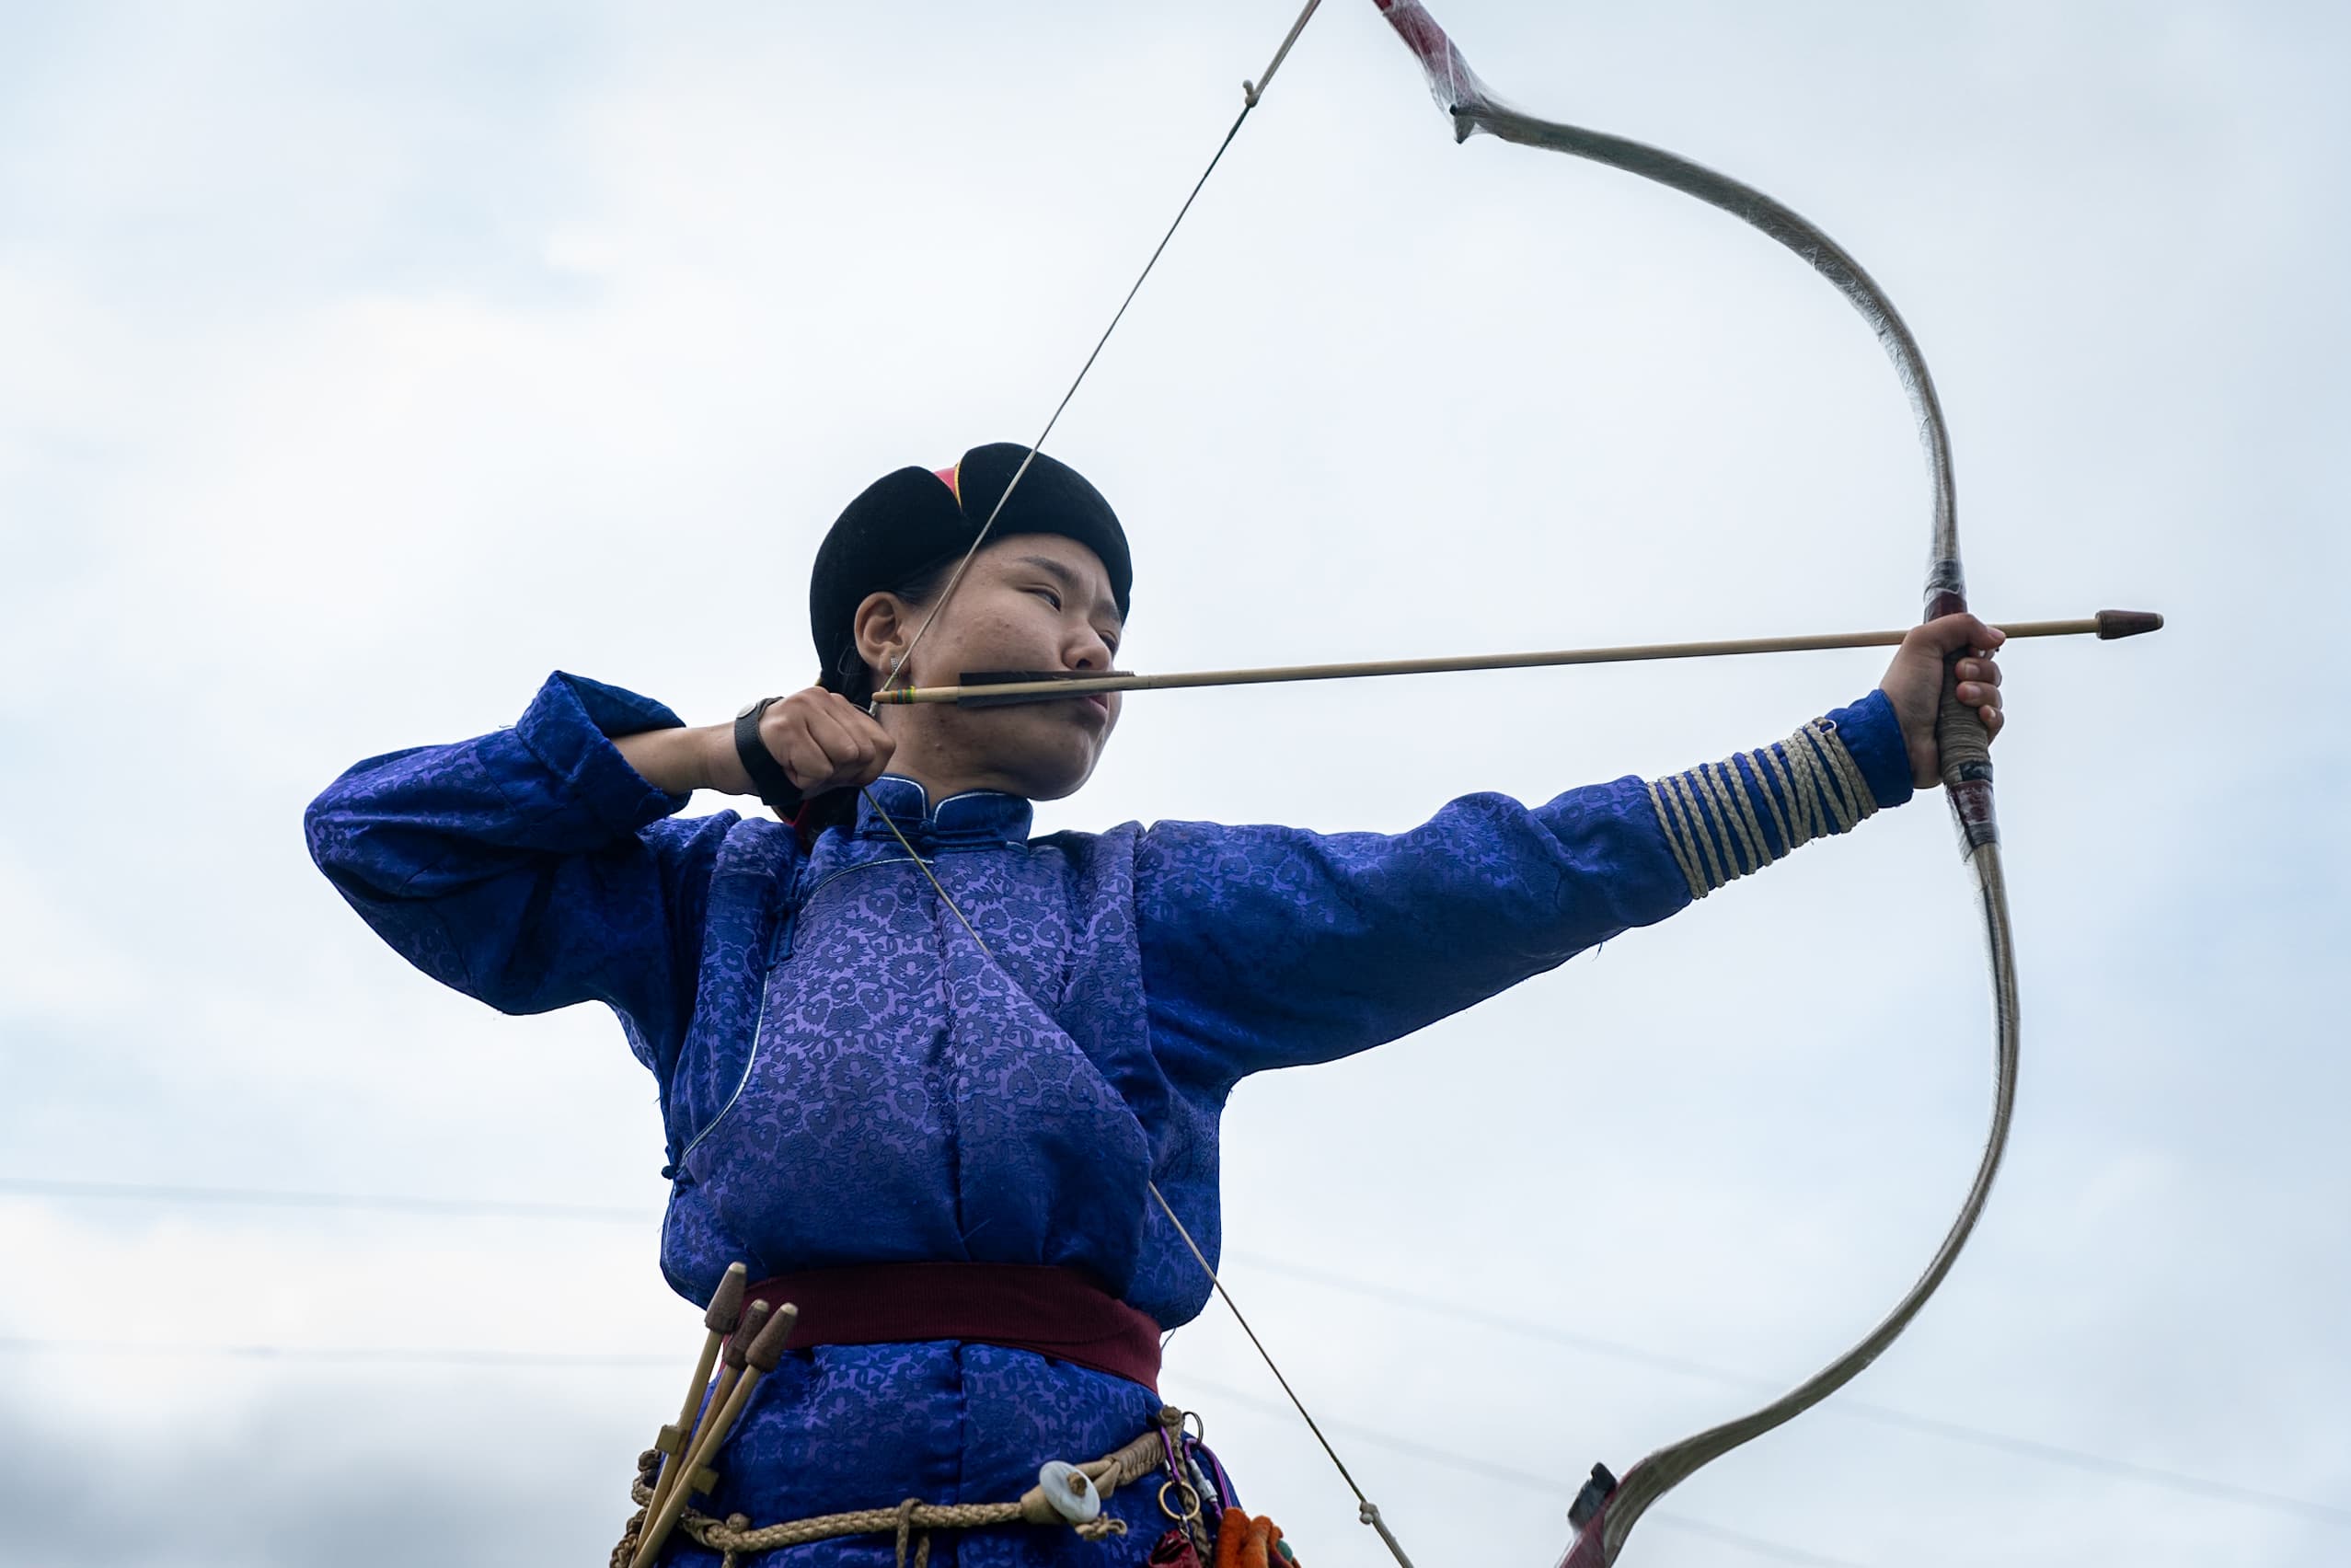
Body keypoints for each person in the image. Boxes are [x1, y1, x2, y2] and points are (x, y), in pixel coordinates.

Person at [305, 443, 2006, 1568]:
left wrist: (1859, 754)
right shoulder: (715, 898)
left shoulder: (1147, 904)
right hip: (775, 1515)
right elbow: (375, 838)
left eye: (1116, 624)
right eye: (1050, 594)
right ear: (884, 633)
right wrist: (711, 756)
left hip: (1094, 1519)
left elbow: (1489, 877)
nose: (1100, 648)